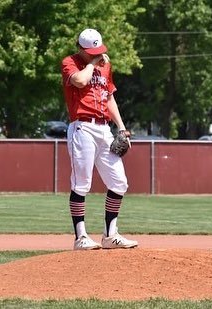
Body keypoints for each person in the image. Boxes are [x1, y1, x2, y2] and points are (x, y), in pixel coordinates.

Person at [61, 28, 138, 250]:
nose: (97, 54)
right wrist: (93, 64)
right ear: (81, 49)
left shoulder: (106, 67)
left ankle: (110, 235)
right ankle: (81, 237)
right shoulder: (70, 62)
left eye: (98, 50)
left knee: (119, 182)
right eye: (92, 51)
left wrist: (122, 129)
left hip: (104, 129)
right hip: (82, 127)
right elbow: (80, 81)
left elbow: (109, 97)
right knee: (81, 183)